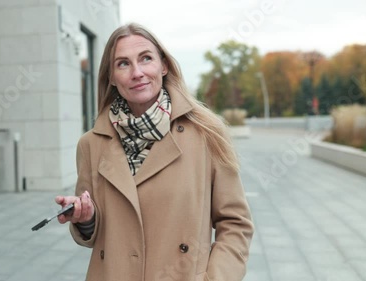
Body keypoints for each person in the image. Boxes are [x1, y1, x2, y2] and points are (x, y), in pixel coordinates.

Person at [55, 23, 254, 281]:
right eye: (123, 64)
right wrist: (86, 218)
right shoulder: (90, 144)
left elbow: (236, 224)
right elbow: (95, 236)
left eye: (146, 58)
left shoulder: (207, 133)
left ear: (164, 65)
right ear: (112, 78)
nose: (137, 72)